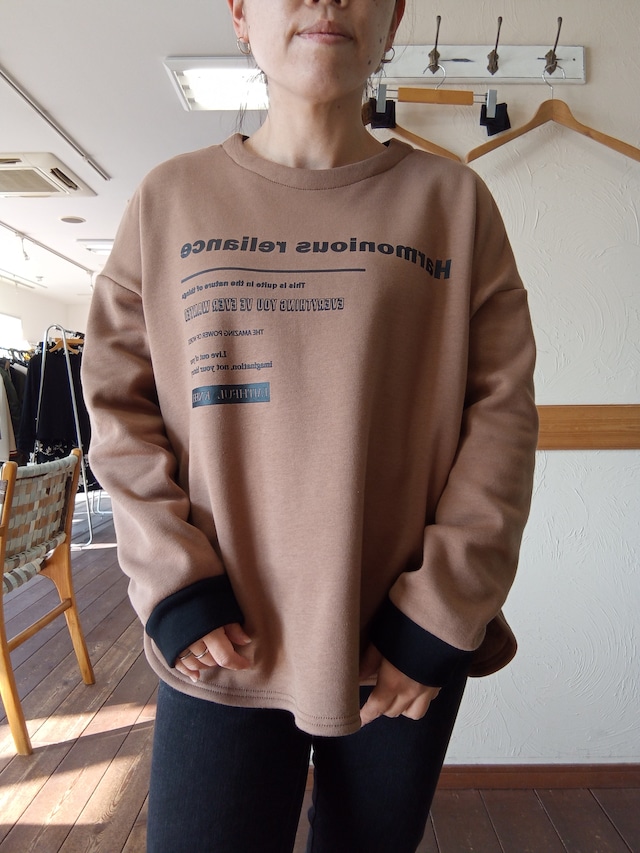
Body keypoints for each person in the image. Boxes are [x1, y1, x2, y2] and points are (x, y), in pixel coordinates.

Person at [81, 1, 538, 850]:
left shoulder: (453, 204)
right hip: (219, 638)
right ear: (240, 14)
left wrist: (438, 612)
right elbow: (118, 405)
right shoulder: (168, 201)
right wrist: (173, 581)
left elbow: (502, 417)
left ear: (392, 20)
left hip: (397, 644)